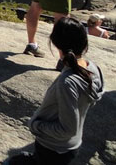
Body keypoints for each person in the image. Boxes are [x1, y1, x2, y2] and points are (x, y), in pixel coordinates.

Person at [10, 17, 104, 165]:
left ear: (55, 44)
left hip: (53, 148)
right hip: (71, 144)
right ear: (84, 42)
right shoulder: (92, 68)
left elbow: (67, 129)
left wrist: (35, 125)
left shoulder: (67, 82)